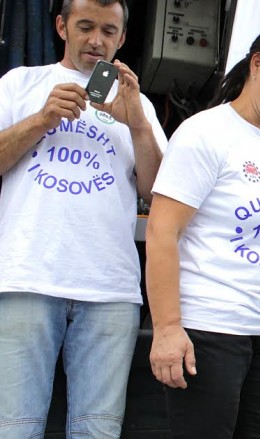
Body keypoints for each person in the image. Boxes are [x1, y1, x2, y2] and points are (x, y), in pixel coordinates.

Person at [0, 0, 166, 437]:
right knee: (14, 428)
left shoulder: (138, 102)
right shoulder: (21, 83)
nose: (97, 40)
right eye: (86, 26)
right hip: (27, 278)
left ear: (123, 38)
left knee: (97, 432)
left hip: (109, 288)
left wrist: (139, 127)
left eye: (109, 31)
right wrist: (42, 119)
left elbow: (156, 194)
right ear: (61, 26)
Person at [145, 24, 260, 439]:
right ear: (256, 64)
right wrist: (168, 329)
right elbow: (160, 232)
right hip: (210, 331)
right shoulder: (203, 133)